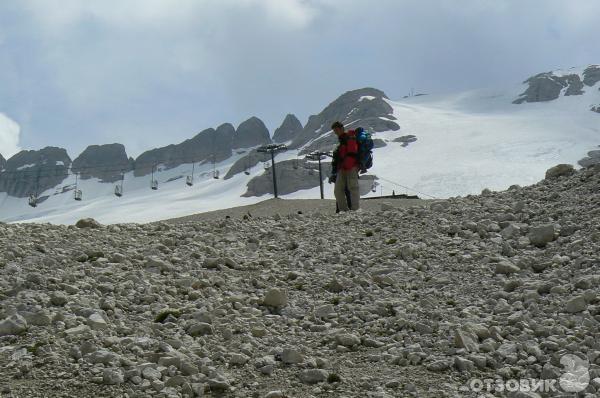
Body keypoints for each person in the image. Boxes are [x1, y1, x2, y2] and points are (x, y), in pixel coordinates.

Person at [330, 121, 360, 211]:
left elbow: (352, 152)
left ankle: (355, 209)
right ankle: (343, 210)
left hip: (350, 167)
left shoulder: (350, 137)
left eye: (337, 129)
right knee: (338, 190)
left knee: (352, 188)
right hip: (342, 168)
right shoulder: (341, 140)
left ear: (342, 128)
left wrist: (348, 165)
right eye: (334, 130)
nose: (336, 132)